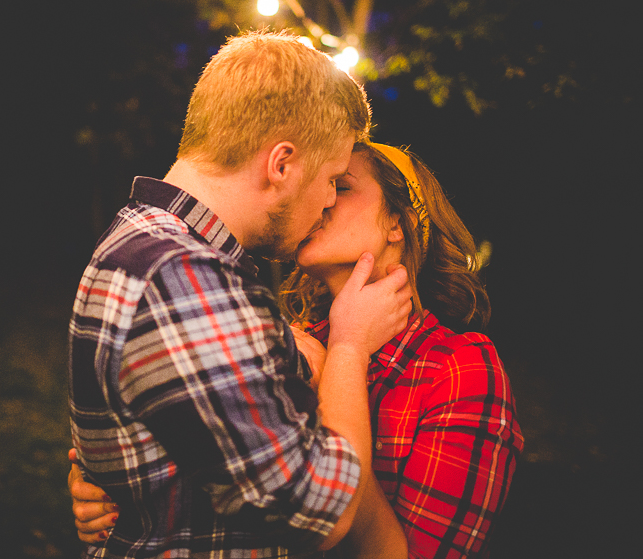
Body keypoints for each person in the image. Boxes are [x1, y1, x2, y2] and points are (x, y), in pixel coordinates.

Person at [70, 142, 524, 558]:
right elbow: (219, 478)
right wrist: (118, 489)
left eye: (341, 186)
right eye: (322, 183)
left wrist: (341, 366)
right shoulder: (287, 336)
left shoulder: (460, 369)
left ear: (396, 222)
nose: (322, 198)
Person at [68, 31, 414, 559]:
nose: (327, 201)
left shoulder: (145, 242)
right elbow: (320, 511)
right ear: (281, 165)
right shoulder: (180, 276)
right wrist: (349, 345)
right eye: (331, 178)